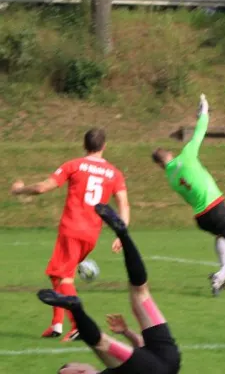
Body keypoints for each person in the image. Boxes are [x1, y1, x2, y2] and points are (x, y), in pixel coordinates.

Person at [10, 128, 129, 342]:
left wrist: (19, 190)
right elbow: (123, 204)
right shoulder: (114, 173)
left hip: (71, 230)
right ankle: (56, 324)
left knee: (64, 276)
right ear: (104, 146)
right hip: (92, 234)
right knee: (56, 273)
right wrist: (122, 234)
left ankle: (78, 326)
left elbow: (43, 188)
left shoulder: (74, 165)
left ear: (84, 145)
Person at [38, 203, 181, 374]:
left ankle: (76, 307)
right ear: (80, 372)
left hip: (163, 361)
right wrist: (66, 369)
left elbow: (142, 349)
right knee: (140, 292)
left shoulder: (116, 366)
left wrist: (127, 332)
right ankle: (123, 235)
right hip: (166, 355)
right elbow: (64, 372)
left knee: (104, 340)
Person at [151, 94, 225, 296]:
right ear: (170, 154)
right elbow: (200, 130)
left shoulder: (171, 179)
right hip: (215, 207)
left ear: (159, 165)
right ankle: (221, 275)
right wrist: (203, 110)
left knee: (220, 236)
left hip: (201, 216)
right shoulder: (187, 155)